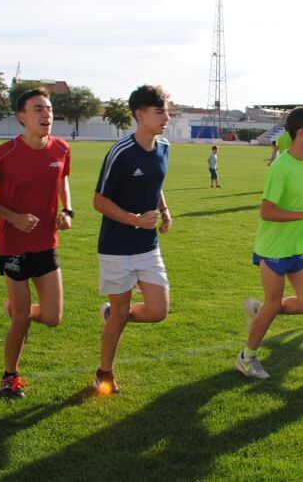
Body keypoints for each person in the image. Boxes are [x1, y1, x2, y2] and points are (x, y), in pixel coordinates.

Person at [0, 87, 73, 399]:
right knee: (21, 319)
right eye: (38, 109)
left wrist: (67, 210)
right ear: (21, 117)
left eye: (49, 109)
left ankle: (15, 308)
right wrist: (13, 217)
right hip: (13, 245)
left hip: (46, 242)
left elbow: (63, 180)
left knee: (52, 317)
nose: (46, 114)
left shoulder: (61, 148)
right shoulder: (4, 153)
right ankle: (9, 377)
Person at [93, 85, 174, 395]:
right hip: (116, 248)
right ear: (140, 115)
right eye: (160, 112)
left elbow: (155, 183)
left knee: (158, 310)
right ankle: (104, 374)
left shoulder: (165, 147)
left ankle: (114, 314)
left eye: (167, 111)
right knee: (121, 312)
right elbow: (99, 201)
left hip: (147, 247)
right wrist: (136, 220)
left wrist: (164, 211)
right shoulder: (121, 152)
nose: (167, 117)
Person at [236, 106, 303, 380]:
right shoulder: (280, 167)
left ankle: (260, 311)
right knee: (274, 303)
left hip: (298, 246)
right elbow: (267, 211)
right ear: (301, 133)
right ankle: (247, 357)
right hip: (273, 248)